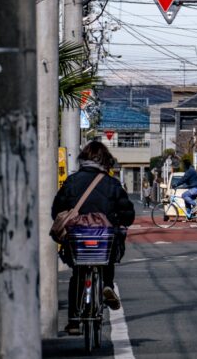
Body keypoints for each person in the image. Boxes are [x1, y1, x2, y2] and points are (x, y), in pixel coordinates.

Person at [51, 141, 135, 336]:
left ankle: (73, 320)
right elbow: (127, 212)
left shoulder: (71, 181)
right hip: (104, 236)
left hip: (77, 237)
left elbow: (57, 209)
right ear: (104, 161)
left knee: (77, 273)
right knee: (107, 255)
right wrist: (121, 222)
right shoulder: (111, 183)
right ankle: (106, 285)